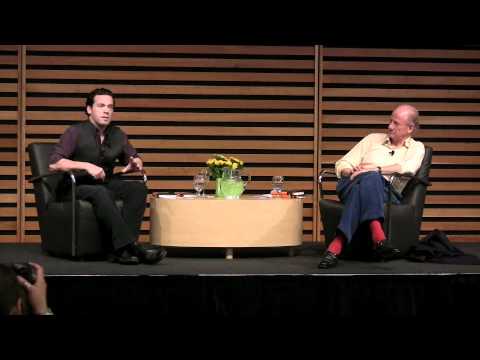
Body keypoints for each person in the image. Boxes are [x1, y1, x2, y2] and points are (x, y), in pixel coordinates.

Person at [49, 88, 166, 265]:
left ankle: (123, 250)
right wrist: (86, 166)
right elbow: (54, 163)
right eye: (101, 106)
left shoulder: (118, 134)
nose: (106, 110)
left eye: (110, 107)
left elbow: (134, 158)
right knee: (99, 192)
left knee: (137, 188)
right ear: (89, 109)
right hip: (75, 186)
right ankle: (129, 247)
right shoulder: (75, 132)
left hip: (105, 183)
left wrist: (134, 164)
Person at [318, 104, 425, 269]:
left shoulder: (417, 148)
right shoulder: (372, 139)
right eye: (390, 121)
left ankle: (336, 246)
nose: (390, 126)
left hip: (386, 193)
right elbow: (343, 162)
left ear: (410, 128)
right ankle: (378, 237)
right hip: (351, 181)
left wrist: (374, 169)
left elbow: (407, 168)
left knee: (370, 179)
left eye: (396, 123)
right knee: (367, 180)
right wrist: (350, 170)